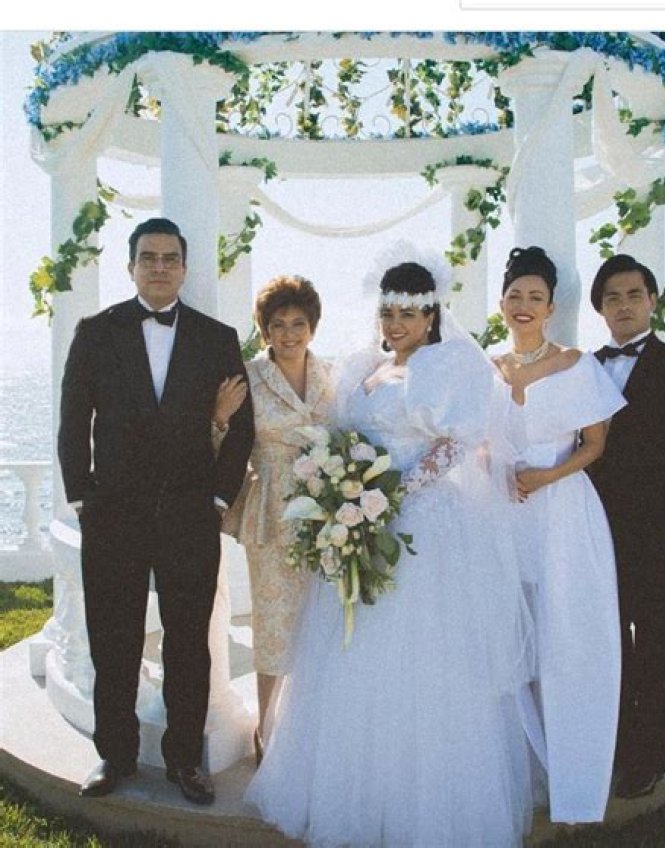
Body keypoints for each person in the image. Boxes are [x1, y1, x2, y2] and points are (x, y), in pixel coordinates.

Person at [245, 243, 535, 847]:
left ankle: (423, 800)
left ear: (431, 316)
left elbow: (456, 442)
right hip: (361, 519)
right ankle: (354, 789)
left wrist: (395, 491)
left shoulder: (450, 364)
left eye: (408, 314)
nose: (395, 324)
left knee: (422, 659)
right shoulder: (363, 367)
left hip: (423, 524)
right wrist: (348, 495)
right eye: (388, 313)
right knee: (351, 653)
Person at [58, 217, 254, 805]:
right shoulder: (96, 332)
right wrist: (82, 498)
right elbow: (73, 423)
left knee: (189, 643)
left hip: (191, 515)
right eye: (149, 257)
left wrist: (218, 499)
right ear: (131, 266)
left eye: (170, 258)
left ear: (185, 268)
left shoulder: (216, 338)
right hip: (112, 515)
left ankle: (185, 761)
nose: (160, 266)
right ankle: (114, 756)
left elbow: (242, 428)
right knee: (112, 639)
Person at [492, 246, 626, 823]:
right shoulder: (489, 368)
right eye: (515, 295)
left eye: (535, 297)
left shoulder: (576, 364)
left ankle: (573, 774)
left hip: (564, 512)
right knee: (509, 639)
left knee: (566, 639)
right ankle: (520, 765)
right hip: (504, 515)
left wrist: (545, 476)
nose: (524, 305)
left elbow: (595, 444)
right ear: (502, 303)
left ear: (550, 307)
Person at [587, 253, 665, 800]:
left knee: (661, 644)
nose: (623, 305)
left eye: (633, 295)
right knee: (610, 643)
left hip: (660, 532)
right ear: (600, 308)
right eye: (612, 297)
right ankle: (616, 745)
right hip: (596, 531)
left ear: (652, 301)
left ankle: (651, 758)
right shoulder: (584, 367)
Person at [214, 275, 334, 765]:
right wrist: (219, 418)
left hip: (330, 512)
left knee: (321, 621)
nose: (288, 334)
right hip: (272, 512)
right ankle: (267, 727)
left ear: (312, 326)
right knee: (274, 623)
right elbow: (220, 449)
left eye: (298, 323)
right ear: (264, 329)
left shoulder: (331, 375)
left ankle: (315, 726)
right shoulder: (249, 378)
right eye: (278, 324)